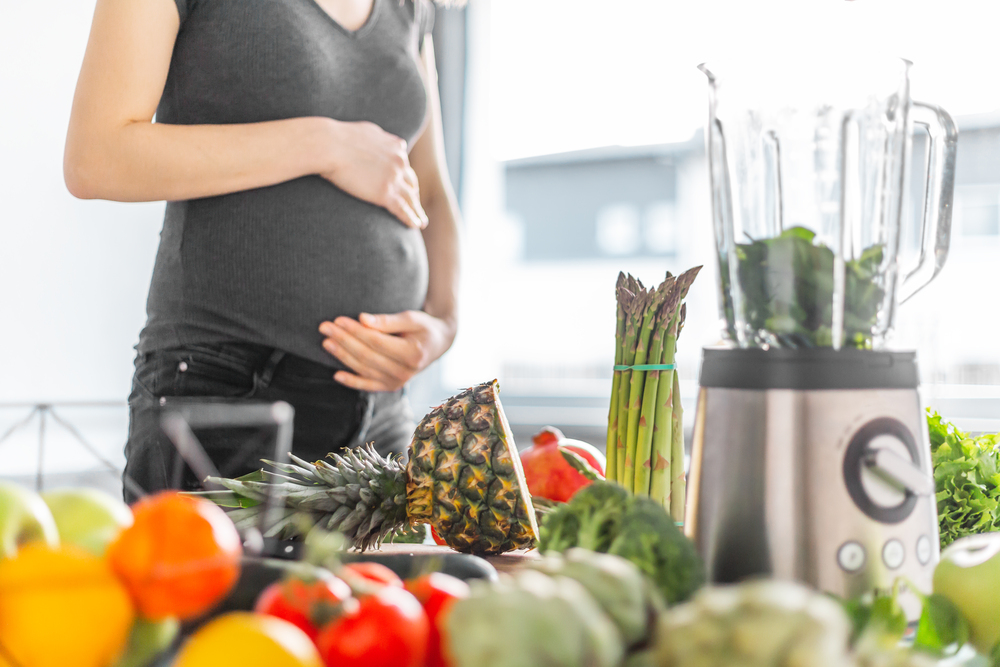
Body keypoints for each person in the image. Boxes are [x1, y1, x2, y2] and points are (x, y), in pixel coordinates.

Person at [64, 0, 462, 502]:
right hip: (228, 392)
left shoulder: (411, 7)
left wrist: (444, 323)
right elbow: (96, 156)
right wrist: (323, 143)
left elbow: (428, 188)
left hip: (384, 410)